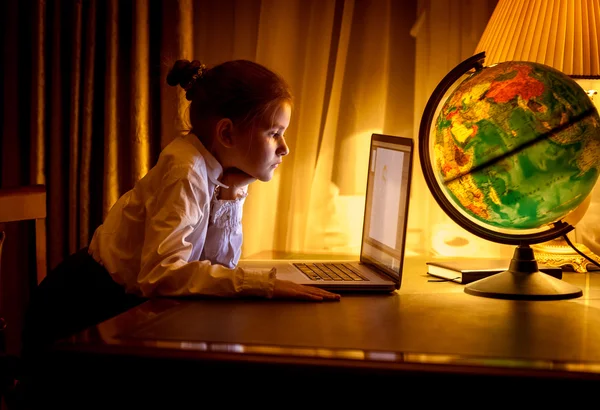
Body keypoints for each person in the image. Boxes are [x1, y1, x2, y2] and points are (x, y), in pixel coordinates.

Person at [21, 58, 340, 360]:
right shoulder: (185, 168)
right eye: (274, 133)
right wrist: (263, 285)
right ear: (227, 133)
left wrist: (232, 191)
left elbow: (215, 266)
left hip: (124, 308)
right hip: (82, 312)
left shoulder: (222, 172)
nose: (285, 147)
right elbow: (161, 275)